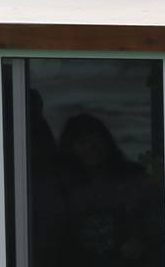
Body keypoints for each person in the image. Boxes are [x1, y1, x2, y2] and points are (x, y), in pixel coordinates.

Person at [58, 114, 158, 267]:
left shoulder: (134, 178)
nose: (91, 148)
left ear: (107, 142)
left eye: (95, 140)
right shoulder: (62, 188)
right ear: (70, 149)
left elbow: (158, 221)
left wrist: (142, 239)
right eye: (82, 142)